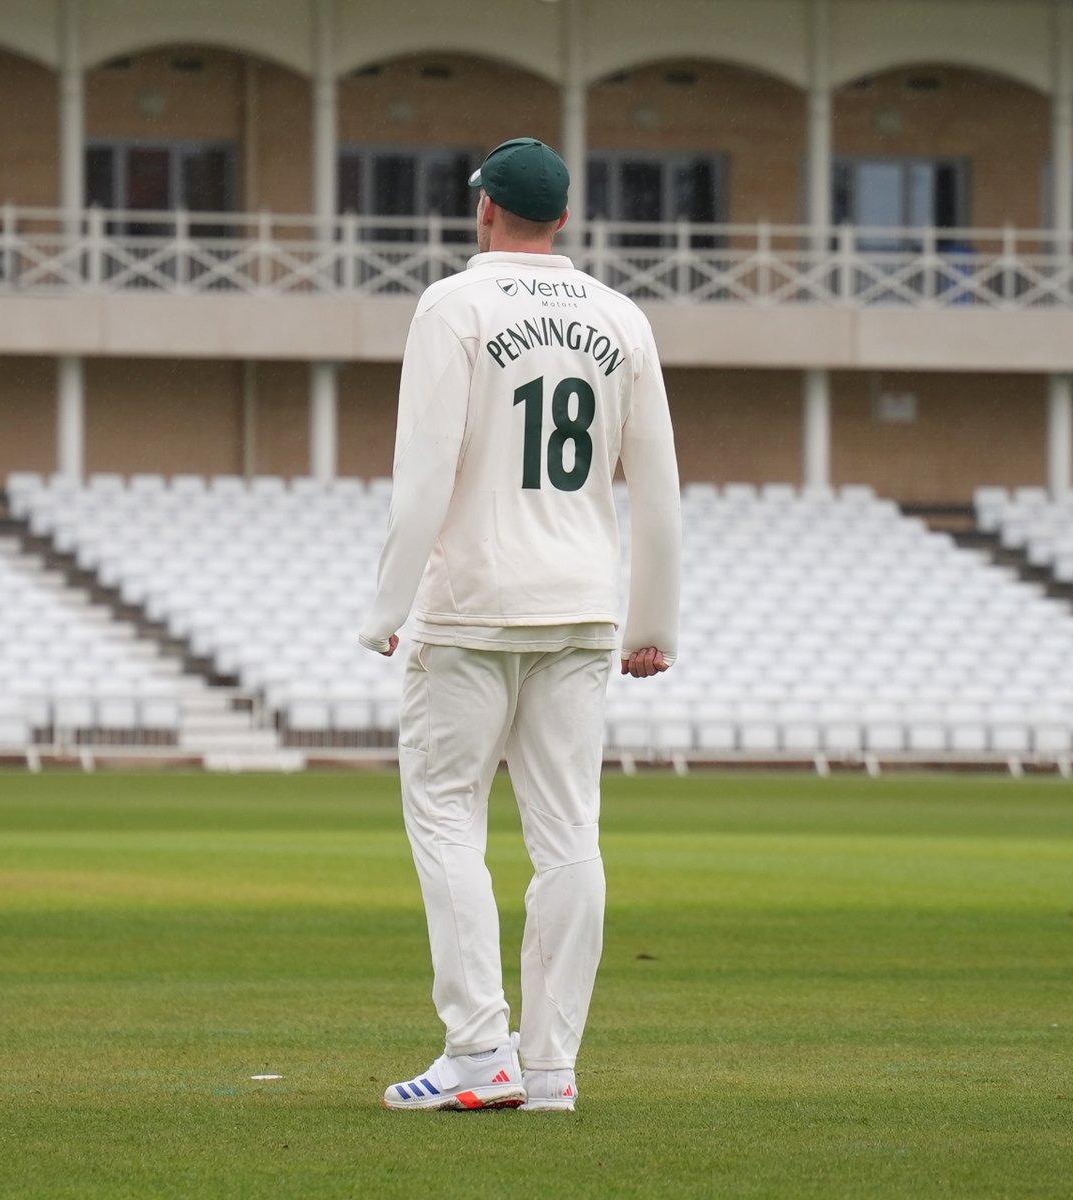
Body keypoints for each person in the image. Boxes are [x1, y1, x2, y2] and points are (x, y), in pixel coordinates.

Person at [359, 137, 682, 1113]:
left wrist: (386, 605)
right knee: (569, 834)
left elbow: (425, 472)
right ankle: (549, 1071)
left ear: (484, 209)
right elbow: (657, 482)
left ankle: (478, 1050)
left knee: (448, 818)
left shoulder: (454, 306)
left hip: (473, 606)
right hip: (582, 602)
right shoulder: (622, 317)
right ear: (566, 220)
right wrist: (651, 619)